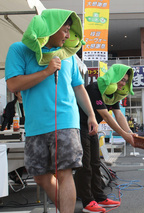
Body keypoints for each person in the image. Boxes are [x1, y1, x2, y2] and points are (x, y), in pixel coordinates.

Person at [5, 9, 98, 213]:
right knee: (39, 176)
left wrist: (91, 114)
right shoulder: (19, 50)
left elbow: (78, 86)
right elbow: (12, 84)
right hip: (35, 124)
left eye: (69, 31)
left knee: (65, 172)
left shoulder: (69, 56)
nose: (67, 35)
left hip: (66, 121)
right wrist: (46, 71)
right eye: (64, 30)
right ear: (52, 28)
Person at [74, 64, 136, 213]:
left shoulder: (113, 93)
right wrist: (124, 135)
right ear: (113, 76)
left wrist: (129, 132)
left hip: (92, 127)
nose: (122, 83)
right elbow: (106, 116)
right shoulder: (96, 88)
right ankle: (87, 201)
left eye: (125, 81)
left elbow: (118, 114)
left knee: (96, 163)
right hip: (79, 125)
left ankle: (100, 198)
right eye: (121, 79)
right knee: (85, 164)